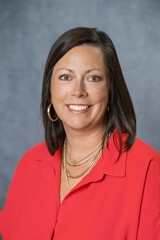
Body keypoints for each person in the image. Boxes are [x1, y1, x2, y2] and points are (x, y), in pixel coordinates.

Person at [0, 27, 159, 240]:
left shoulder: (147, 167)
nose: (78, 91)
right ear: (50, 89)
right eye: (65, 77)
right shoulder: (30, 163)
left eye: (93, 78)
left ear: (111, 90)